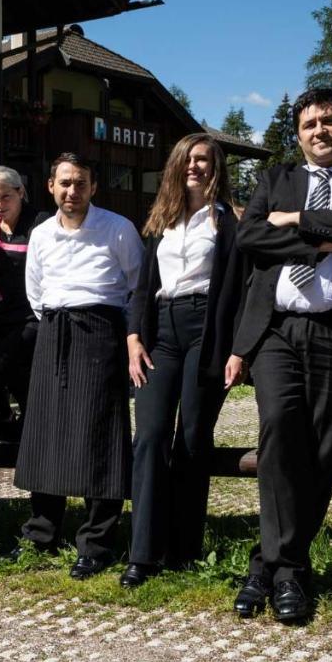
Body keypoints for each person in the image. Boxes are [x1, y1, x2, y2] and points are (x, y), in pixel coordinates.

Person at [230, 88, 332, 623]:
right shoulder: (275, 178)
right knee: (279, 430)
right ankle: (288, 569)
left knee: (323, 449)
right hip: (278, 329)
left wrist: (296, 220)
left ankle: (274, 568)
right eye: (309, 124)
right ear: (298, 133)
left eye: (329, 121)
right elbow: (250, 237)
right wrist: (322, 238)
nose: (319, 130)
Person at [13, 153, 144, 580]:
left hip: (101, 331)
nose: (73, 191)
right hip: (53, 330)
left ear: (93, 187)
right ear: (51, 185)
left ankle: (97, 543)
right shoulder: (42, 233)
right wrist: (56, 323)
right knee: (46, 432)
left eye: (81, 183)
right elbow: (35, 290)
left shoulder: (117, 228)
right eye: (65, 183)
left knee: (99, 434)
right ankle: (42, 533)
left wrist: (121, 336)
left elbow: (135, 286)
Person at [124, 134, 243, 587]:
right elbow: (140, 286)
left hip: (206, 330)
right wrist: (134, 337)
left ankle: (183, 547)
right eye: (190, 159)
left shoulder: (230, 221)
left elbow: (241, 287)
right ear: (177, 165)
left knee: (192, 437)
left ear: (217, 168)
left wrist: (237, 349)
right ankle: (143, 552)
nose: (197, 166)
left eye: (206, 160)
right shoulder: (160, 220)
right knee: (151, 436)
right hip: (161, 331)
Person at [0, 166, 46, 441]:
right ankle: (4, 415)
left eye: (6, 197)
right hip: (4, 307)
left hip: (35, 308)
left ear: (20, 192)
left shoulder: (40, 222)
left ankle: (30, 423)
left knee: (13, 362)